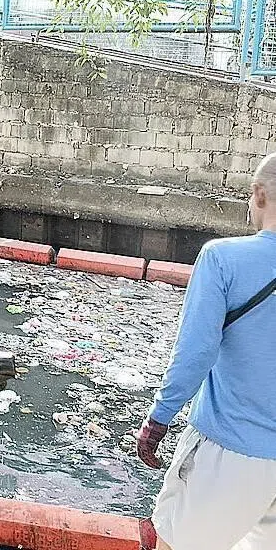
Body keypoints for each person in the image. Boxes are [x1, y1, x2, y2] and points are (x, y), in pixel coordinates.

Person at [136, 153, 276, 550]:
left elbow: (196, 354)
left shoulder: (223, 258)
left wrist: (158, 420)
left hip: (229, 452)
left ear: (259, 195)